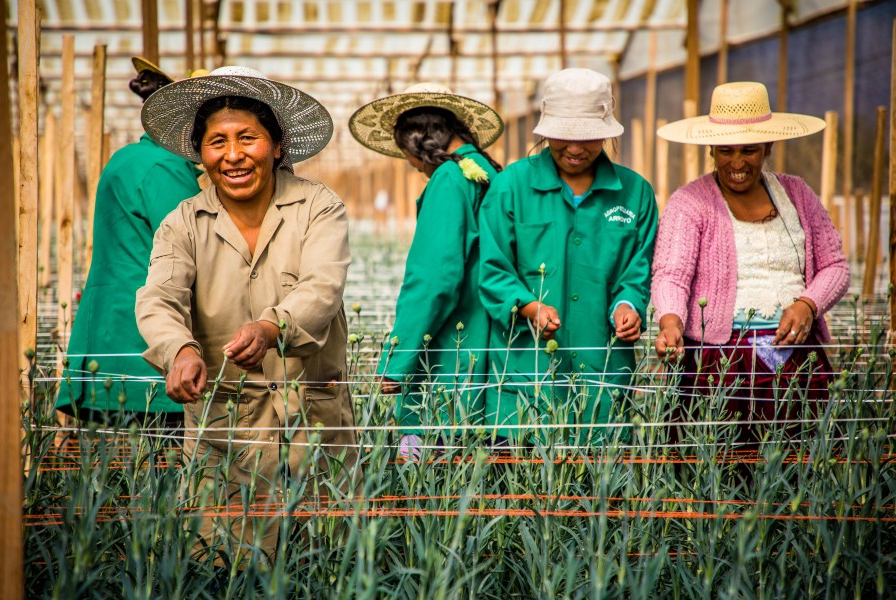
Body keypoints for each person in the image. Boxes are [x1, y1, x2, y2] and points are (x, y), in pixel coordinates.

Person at [136, 66, 357, 560]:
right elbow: (159, 296)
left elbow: (323, 285)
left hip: (313, 419)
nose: (232, 155)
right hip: (224, 426)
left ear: (277, 146)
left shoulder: (318, 207)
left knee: (325, 562)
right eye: (217, 142)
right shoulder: (183, 223)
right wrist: (180, 349)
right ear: (201, 154)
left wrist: (271, 326)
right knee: (223, 562)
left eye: (247, 138)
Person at [652, 81, 850, 445]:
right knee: (721, 466)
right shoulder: (690, 203)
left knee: (800, 461)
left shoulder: (797, 194)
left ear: (768, 148)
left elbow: (835, 266)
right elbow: (671, 275)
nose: (737, 162)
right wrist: (670, 320)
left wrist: (808, 304)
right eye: (726, 150)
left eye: (750, 150)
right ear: (711, 149)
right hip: (718, 361)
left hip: (793, 355)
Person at [478, 68, 658, 446]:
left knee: (598, 495)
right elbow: (493, 269)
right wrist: (528, 307)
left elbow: (638, 269)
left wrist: (628, 304)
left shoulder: (634, 193)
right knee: (518, 492)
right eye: (564, 136)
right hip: (526, 374)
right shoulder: (510, 186)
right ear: (544, 129)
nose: (576, 149)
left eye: (589, 137)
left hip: (602, 373)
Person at [349, 83, 504, 456]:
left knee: (429, 477)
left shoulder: (450, 180)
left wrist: (398, 358)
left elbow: (435, 279)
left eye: (407, 154)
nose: (410, 165)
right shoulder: (483, 170)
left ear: (417, 145)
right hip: (490, 350)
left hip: (451, 354)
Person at [56, 57, 202, 428]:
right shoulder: (164, 166)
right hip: (140, 332)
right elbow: (196, 245)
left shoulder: (129, 158)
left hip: (109, 323)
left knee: (125, 466)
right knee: (164, 456)